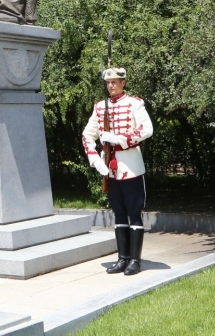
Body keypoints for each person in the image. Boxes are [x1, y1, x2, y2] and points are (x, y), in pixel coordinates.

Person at [82, 67, 153, 275]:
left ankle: (135, 260)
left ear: (123, 83)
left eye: (115, 82)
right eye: (108, 82)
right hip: (110, 170)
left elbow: (146, 129)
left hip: (130, 167)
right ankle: (122, 258)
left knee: (134, 213)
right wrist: (95, 159)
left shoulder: (134, 103)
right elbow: (87, 135)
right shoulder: (99, 107)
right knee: (119, 213)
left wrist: (120, 139)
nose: (111, 85)